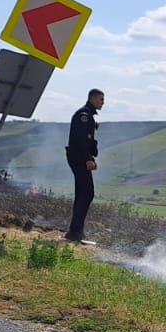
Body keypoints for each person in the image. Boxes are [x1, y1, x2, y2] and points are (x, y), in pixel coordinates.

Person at [64, 88, 105, 243]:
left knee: (83, 193)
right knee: (87, 193)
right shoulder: (84, 115)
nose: (103, 102)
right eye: (101, 99)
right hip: (79, 158)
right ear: (93, 98)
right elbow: (80, 139)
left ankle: (75, 231)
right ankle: (75, 232)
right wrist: (88, 159)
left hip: (79, 157)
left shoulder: (88, 115)